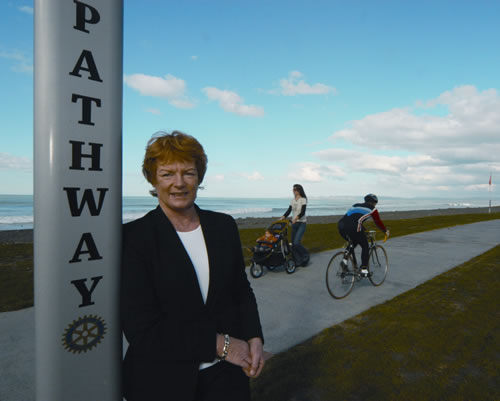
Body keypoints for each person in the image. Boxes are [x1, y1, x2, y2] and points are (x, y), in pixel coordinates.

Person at [121, 131, 265, 401]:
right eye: (167, 174)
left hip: (226, 380)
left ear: (199, 176)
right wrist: (222, 345)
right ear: (152, 179)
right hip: (161, 382)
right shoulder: (133, 238)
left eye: (188, 172)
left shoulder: (223, 226)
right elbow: (141, 328)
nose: (179, 183)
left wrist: (254, 337)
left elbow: (241, 291)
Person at [337, 194, 390, 276]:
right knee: (365, 245)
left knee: (353, 242)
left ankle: (344, 261)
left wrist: (363, 229)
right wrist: (385, 231)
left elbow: (352, 218)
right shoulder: (373, 209)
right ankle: (364, 269)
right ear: (374, 202)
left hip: (341, 225)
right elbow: (378, 222)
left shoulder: (355, 205)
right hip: (354, 227)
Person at [280, 184, 310, 267]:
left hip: (301, 223)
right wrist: (283, 217)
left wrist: (296, 218)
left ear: (299, 191)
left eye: (295, 190)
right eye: (293, 190)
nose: (293, 191)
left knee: (296, 242)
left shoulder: (303, 200)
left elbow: (303, 212)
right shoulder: (292, 200)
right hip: (294, 224)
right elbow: (289, 210)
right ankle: (298, 261)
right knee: (293, 244)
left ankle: (305, 254)